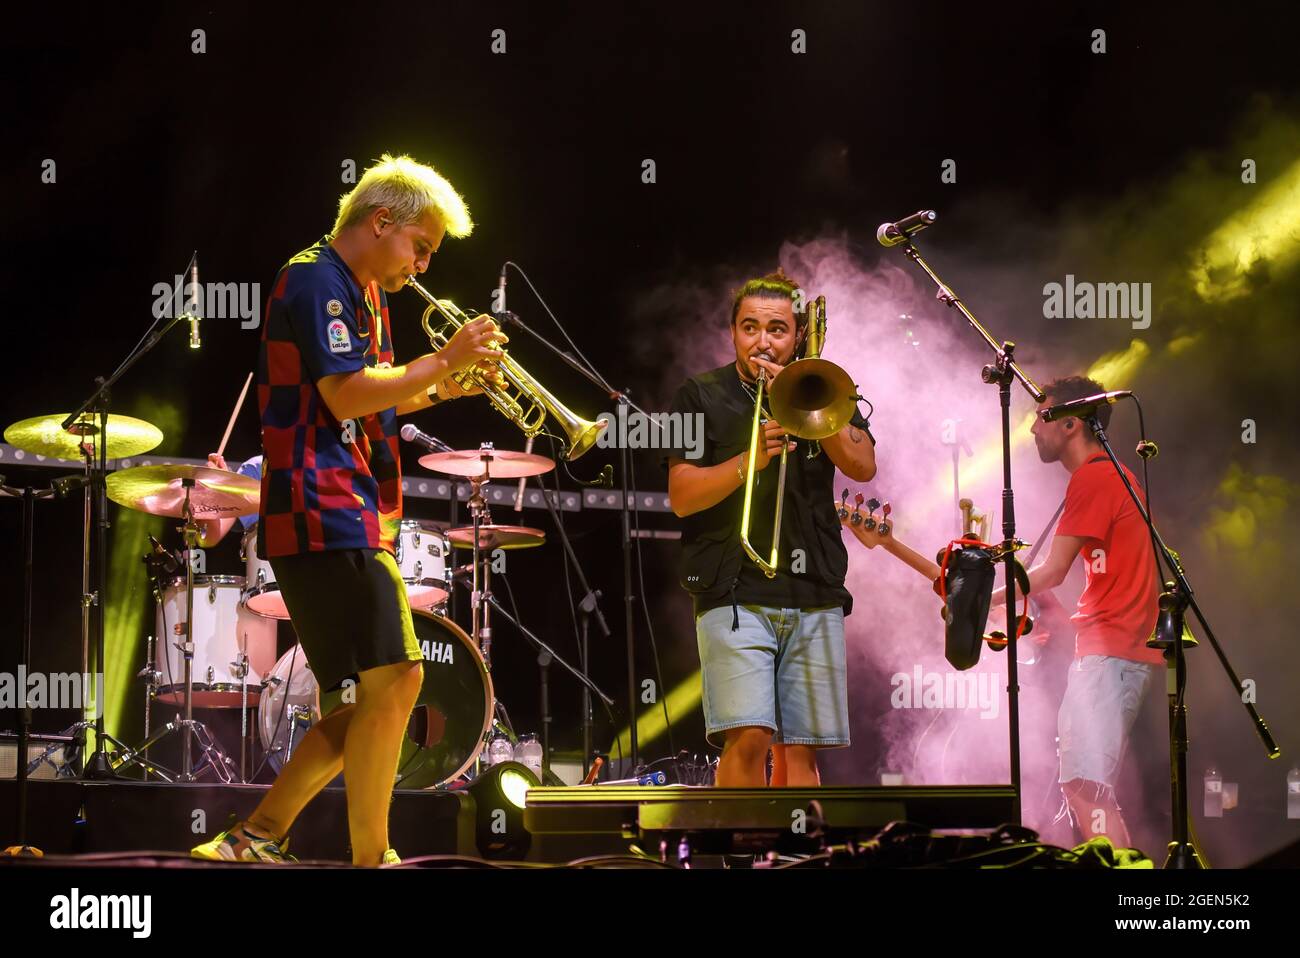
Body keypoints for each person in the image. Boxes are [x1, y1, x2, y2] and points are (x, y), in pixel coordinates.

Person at [192, 153, 505, 866]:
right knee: (401, 677)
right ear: (380, 220)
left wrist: (441, 388)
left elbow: (370, 402)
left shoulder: (364, 293)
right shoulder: (314, 279)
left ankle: (254, 838)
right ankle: (373, 858)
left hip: (336, 506)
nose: (421, 266)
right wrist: (443, 357)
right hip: (322, 506)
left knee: (356, 704)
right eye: (419, 247)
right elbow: (343, 395)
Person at [663, 269, 876, 788]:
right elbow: (682, 497)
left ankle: (795, 858)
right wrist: (749, 461)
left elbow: (863, 466)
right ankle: (740, 854)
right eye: (750, 327)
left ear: (797, 335)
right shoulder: (700, 395)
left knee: (801, 750)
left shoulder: (825, 388)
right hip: (734, 588)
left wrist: (812, 409)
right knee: (750, 736)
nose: (763, 341)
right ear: (733, 332)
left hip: (813, 589)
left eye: (777, 329)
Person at [992, 375, 1161, 848]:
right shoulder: (1113, 475)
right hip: (1115, 647)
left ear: (1070, 424)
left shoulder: (1095, 476)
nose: (1030, 430)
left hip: (1112, 649)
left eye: (1041, 416)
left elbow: (1051, 572)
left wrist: (984, 600)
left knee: (1084, 782)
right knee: (1086, 782)